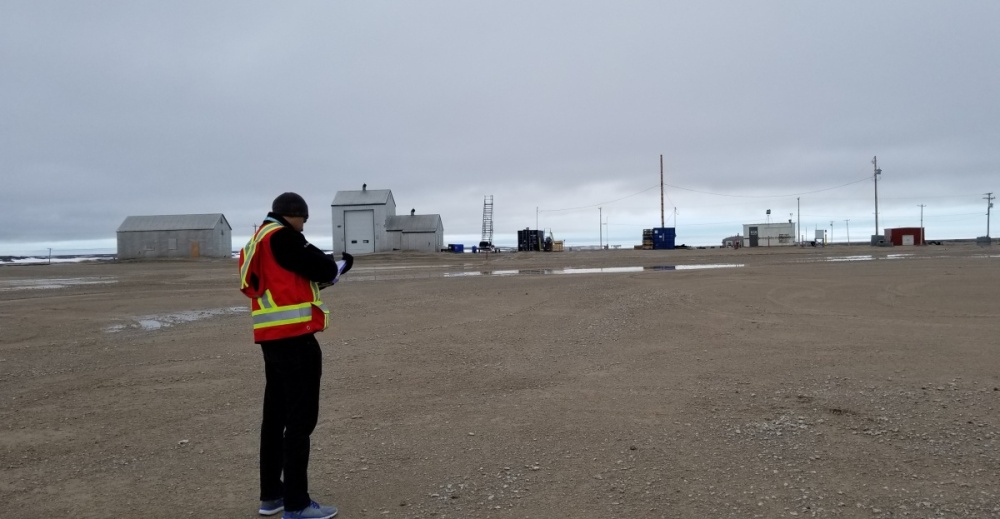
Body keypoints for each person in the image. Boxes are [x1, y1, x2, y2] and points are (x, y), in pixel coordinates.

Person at [239, 192, 353, 519]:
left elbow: (292, 280)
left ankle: (271, 495)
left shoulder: (258, 240)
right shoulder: (284, 238)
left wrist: (329, 272)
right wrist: (338, 267)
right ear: (292, 214)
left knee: (274, 419)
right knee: (300, 422)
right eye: (303, 219)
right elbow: (322, 266)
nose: (304, 226)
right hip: (295, 340)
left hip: (272, 340)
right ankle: (297, 503)